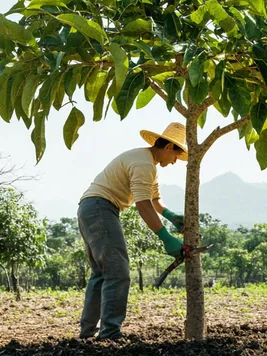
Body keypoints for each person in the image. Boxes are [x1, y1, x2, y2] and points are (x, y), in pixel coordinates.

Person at [76, 122, 187, 340]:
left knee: (101, 273)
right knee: (118, 272)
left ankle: (88, 333)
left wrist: (172, 216)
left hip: (89, 208)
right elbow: (143, 204)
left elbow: (154, 201)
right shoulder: (144, 164)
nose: (175, 162)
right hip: (101, 208)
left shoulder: (148, 163)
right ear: (167, 148)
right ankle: (110, 334)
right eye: (176, 155)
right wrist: (166, 238)